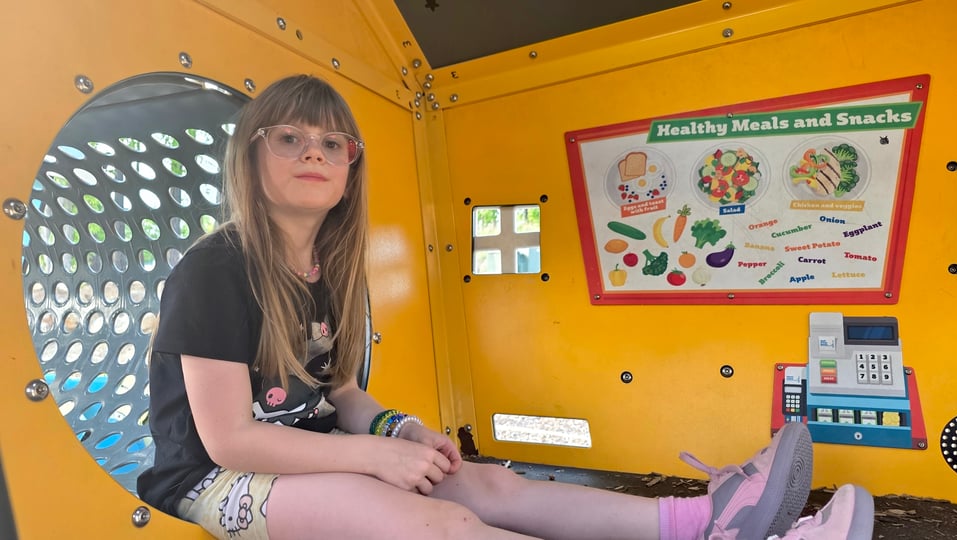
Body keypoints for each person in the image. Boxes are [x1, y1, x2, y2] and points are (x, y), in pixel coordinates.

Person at [136, 74, 875, 540]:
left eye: (334, 143)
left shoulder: (331, 271)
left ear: (351, 168)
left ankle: (707, 520)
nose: (314, 153)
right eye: (290, 138)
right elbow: (230, 440)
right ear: (250, 154)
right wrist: (374, 458)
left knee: (491, 484)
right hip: (217, 481)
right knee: (441, 525)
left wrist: (403, 432)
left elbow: (342, 394)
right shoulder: (215, 270)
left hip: (315, 453)